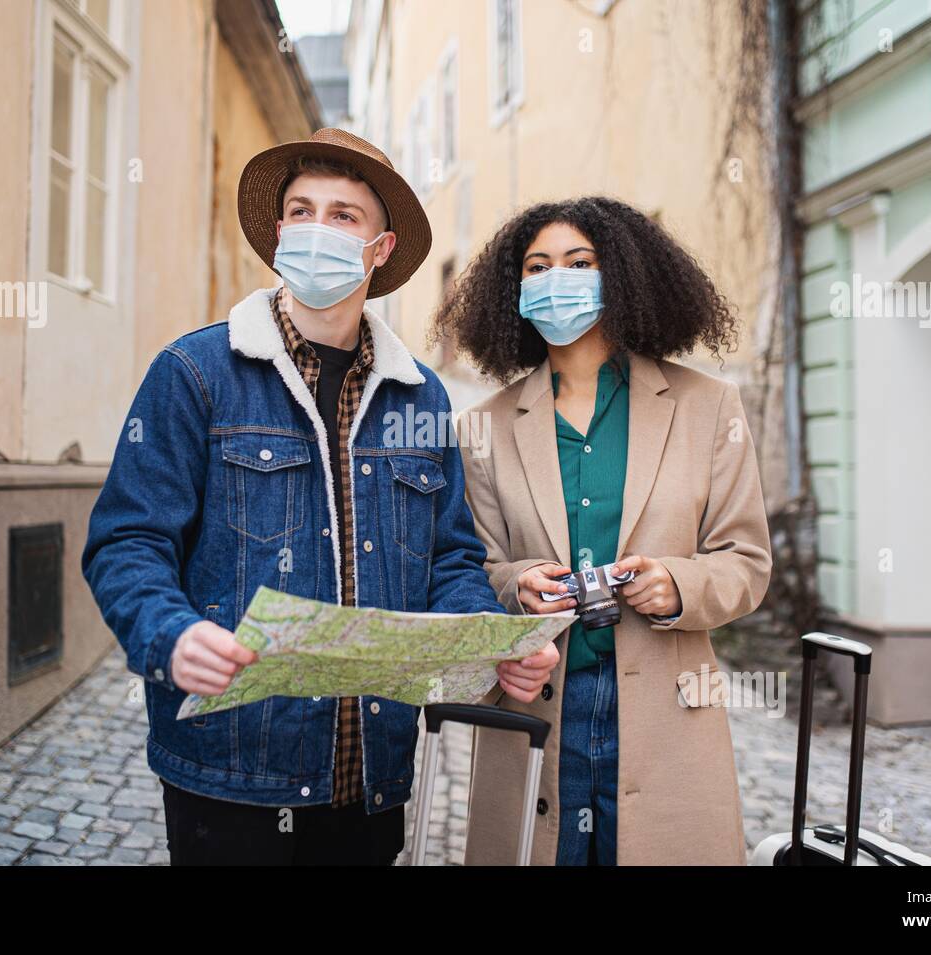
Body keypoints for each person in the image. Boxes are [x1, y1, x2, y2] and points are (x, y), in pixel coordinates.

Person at [81, 128, 558, 866]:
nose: (315, 229)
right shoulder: (195, 372)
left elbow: (450, 559)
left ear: (381, 248)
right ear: (277, 236)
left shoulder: (420, 396)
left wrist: (494, 642)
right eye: (301, 211)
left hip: (370, 780)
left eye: (342, 216)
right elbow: (126, 542)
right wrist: (169, 635)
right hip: (232, 776)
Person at [435, 196, 772, 865]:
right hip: (536, 698)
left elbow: (747, 560)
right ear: (516, 291)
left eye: (578, 261)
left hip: (665, 711)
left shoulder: (709, 408)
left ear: (619, 273)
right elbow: (472, 565)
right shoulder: (482, 427)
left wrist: (676, 581)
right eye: (537, 267)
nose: (556, 279)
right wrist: (517, 584)